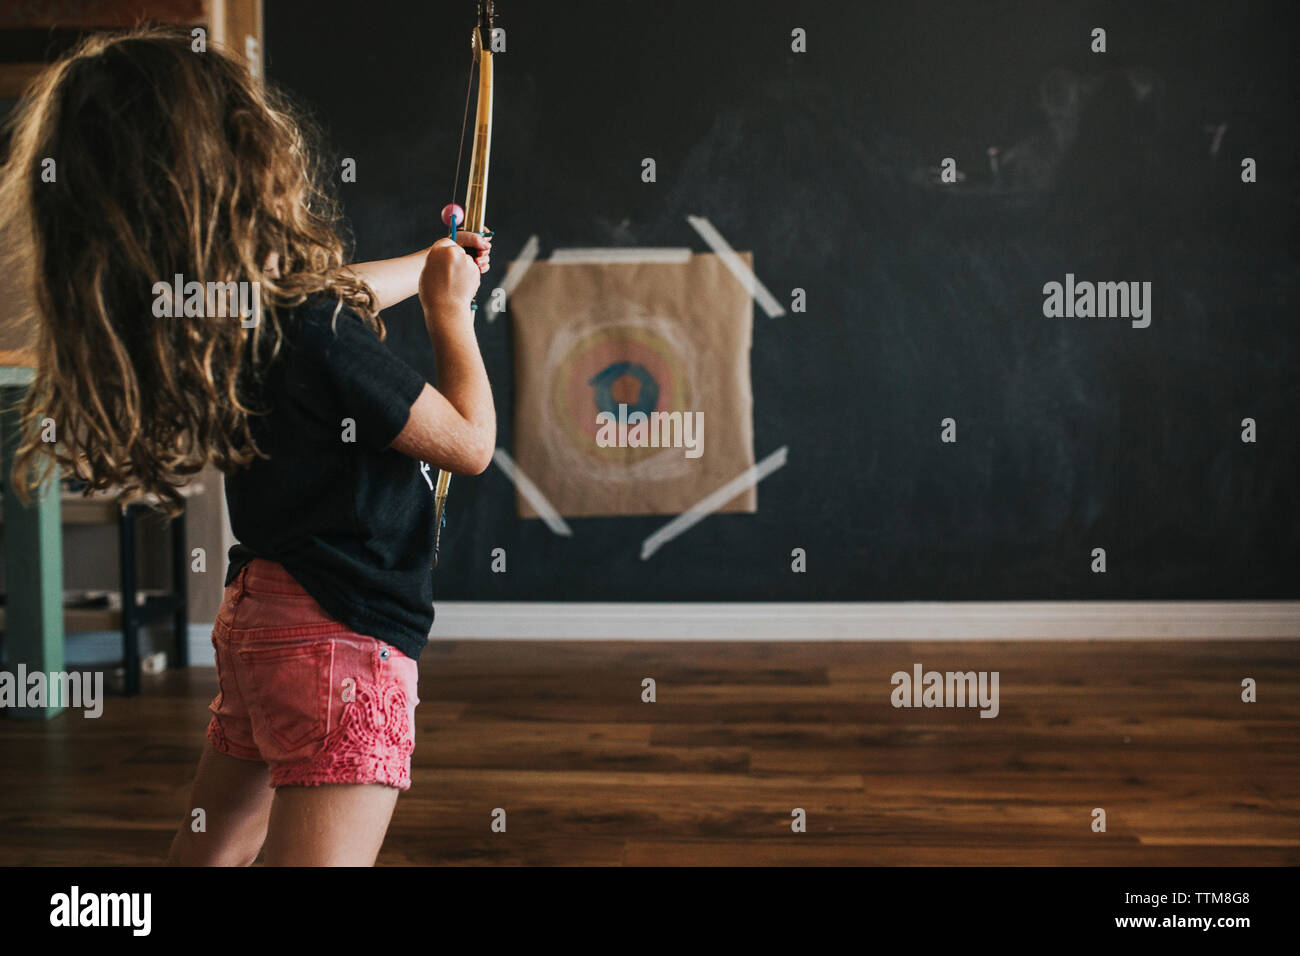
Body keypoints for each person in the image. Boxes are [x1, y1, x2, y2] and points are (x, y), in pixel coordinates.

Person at [0, 25, 495, 865]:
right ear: (244, 172)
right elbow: (472, 444)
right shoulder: (323, 338)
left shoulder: (222, 313)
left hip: (264, 624)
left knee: (209, 851)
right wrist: (453, 313)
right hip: (343, 641)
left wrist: (431, 264)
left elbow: (329, 292)